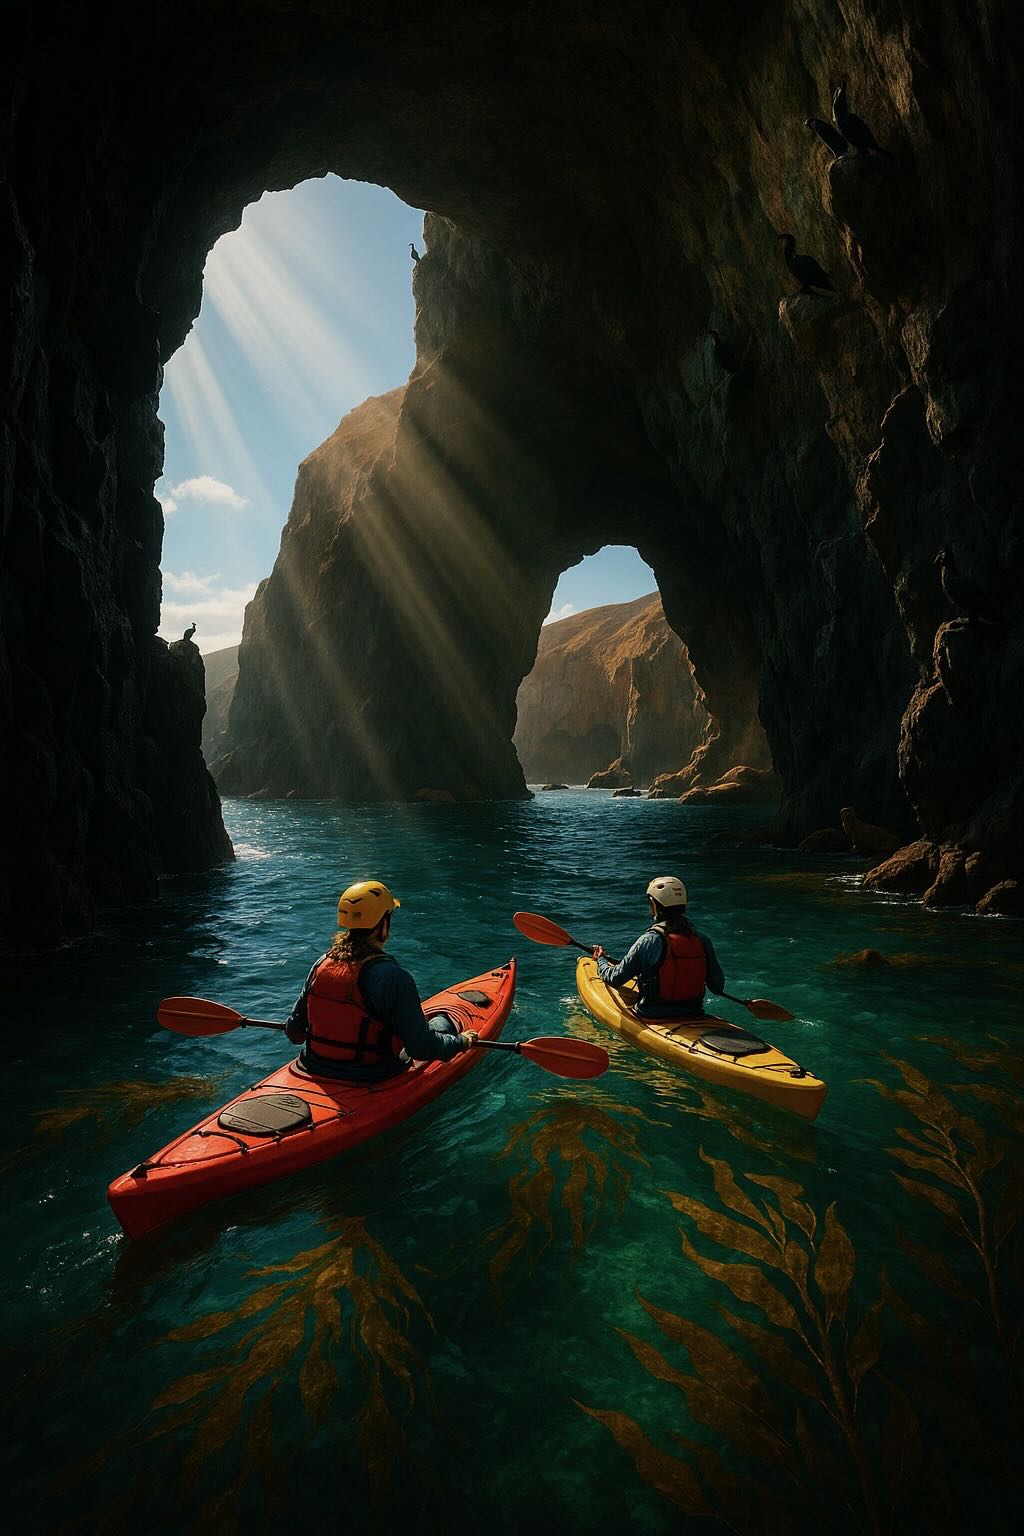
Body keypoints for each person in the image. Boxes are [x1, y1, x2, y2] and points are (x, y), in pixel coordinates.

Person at [285, 879, 477, 1080]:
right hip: (373, 1073)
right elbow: (421, 1049)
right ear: (383, 924)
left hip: (312, 1065)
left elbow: (294, 1033)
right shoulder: (394, 978)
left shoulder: (321, 964)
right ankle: (451, 1026)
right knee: (442, 1021)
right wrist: (461, 1042)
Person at [592, 875, 725, 1020]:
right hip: (693, 1013)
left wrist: (601, 959)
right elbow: (717, 987)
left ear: (653, 904)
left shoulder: (649, 940)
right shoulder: (702, 940)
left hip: (652, 1014)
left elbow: (615, 979)